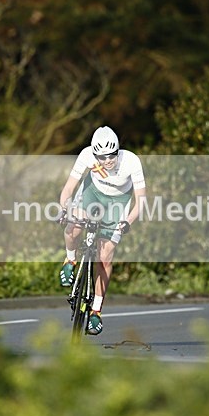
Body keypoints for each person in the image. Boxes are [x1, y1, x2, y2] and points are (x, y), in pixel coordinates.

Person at [57, 126, 146, 335]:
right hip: (92, 193)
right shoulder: (87, 155)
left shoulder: (131, 161)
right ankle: (70, 259)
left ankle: (96, 310)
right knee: (74, 226)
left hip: (118, 201)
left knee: (105, 256)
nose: (107, 161)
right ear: (94, 153)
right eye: (102, 157)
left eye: (111, 156)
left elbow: (141, 200)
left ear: (118, 150)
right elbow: (69, 188)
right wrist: (65, 208)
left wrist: (128, 222)